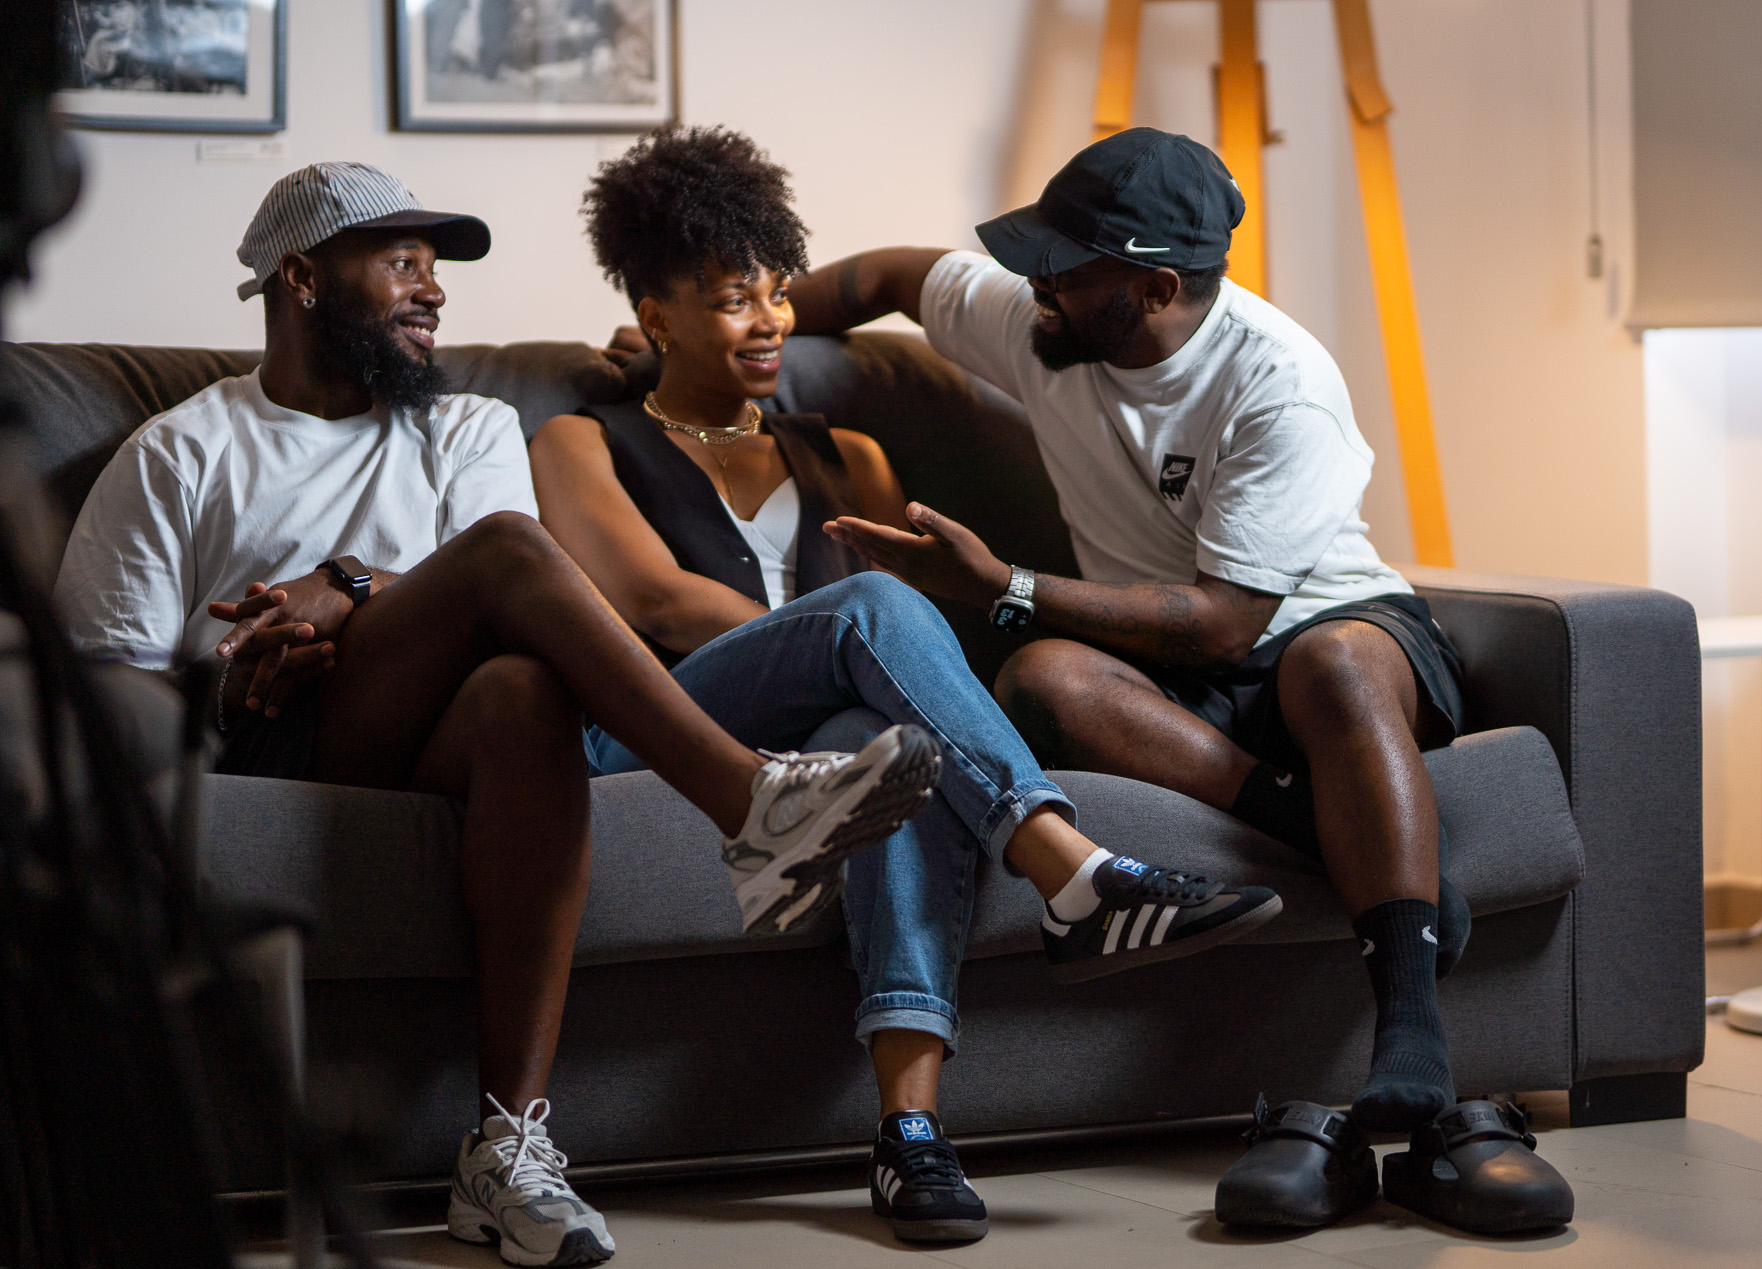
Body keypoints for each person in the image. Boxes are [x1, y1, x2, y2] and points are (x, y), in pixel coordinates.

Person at [52, 162, 946, 1269]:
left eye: (435, 269)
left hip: (436, 730)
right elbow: (106, 687)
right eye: (401, 264)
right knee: (511, 559)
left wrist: (346, 585)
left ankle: (505, 1147)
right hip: (271, 735)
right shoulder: (182, 452)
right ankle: (750, 800)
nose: (432, 290)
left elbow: (504, 596)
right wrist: (230, 679)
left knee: (523, 691)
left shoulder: (467, 425)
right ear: (302, 277)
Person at [786, 128, 1572, 1234]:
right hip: (1171, 671)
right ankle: (1314, 828)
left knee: (1331, 665)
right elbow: (884, 278)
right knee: (1043, 675)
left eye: (1064, 267)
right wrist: (761, 319)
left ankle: (1410, 1022)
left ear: (1154, 288)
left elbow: (1224, 624)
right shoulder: (1038, 322)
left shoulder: (1278, 383)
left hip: (1328, 632)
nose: (1035, 283)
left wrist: (1004, 582)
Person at [536, 126, 1283, 1245]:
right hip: (663, 726)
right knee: (874, 613)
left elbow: (896, 652)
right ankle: (1070, 870)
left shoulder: (851, 454)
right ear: (655, 318)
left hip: (827, 741)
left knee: (907, 757)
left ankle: (911, 1134)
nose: (770, 320)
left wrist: (873, 659)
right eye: (732, 300)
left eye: (778, 293)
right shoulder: (580, 440)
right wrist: (841, 636)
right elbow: (653, 601)